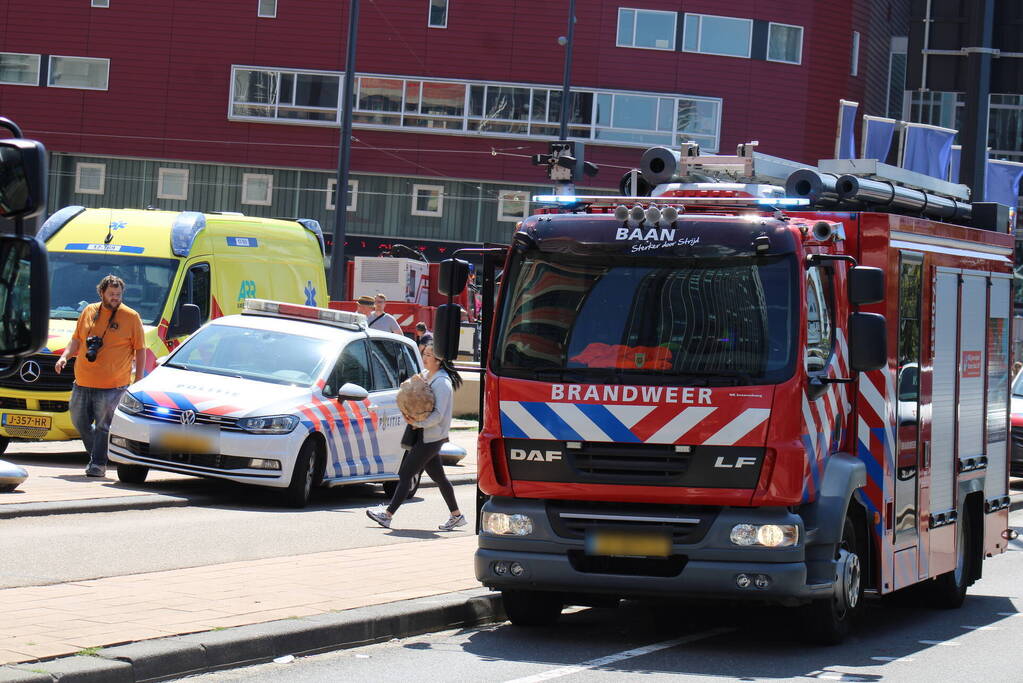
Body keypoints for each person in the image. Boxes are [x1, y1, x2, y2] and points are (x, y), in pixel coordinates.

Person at [54, 275, 146, 477]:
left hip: (113, 385)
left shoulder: (131, 317)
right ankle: (99, 452)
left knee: (103, 426)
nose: (115, 298)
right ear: (101, 293)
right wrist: (64, 357)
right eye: (111, 294)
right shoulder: (89, 311)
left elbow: (140, 350)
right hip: (83, 381)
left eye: (118, 294)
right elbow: (76, 340)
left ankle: (98, 464)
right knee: (78, 420)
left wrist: (138, 379)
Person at [367, 345, 465, 530]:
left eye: (429, 355)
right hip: (425, 435)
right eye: (424, 354)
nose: (425, 357)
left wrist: (416, 423)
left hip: (431, 437)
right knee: (439, 477)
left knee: (405, 473)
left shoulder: (442, 383)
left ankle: (387, 515)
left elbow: (438, 415)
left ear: (439, 360)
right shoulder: (427, 375)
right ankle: (457, 515)